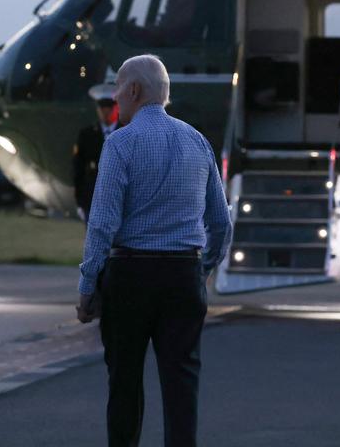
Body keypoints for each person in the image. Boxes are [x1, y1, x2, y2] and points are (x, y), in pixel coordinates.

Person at [76, 54, 233, 447]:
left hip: (130, 274)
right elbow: (221, 222)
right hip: (183, 274)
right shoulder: (198, 142)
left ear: (133, 90)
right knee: (182, 382)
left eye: (117, 89)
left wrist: (88, 284)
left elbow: (102, 223)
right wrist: (203, 269)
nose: (115, 98)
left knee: (125, 381)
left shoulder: (120, 145)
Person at [72, 83, 118, 223]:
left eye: (108, 108)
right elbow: (78, 169)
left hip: (119, 197)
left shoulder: (126, 132)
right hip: (93, 196)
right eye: (102, 108)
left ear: (115, 108)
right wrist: (80, 202)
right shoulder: (87, 134)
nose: (105, 112)